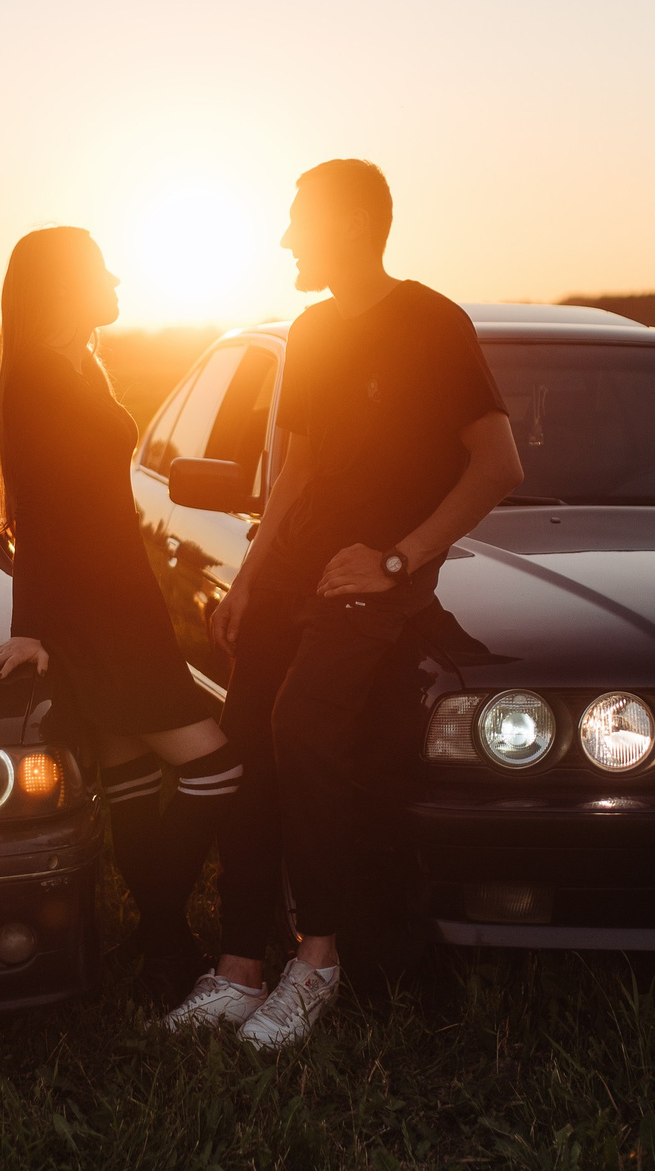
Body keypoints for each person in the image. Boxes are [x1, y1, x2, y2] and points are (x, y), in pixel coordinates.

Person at [161, 160, 523, 1048]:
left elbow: (500, 466)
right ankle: (240, 965)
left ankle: (316, 960)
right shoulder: (315, 327)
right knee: (248, 743)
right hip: (293, 568)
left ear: (356, 224)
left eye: (299, 221)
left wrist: (399, 559)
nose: (286, 238)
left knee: (303, 730)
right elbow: (301, 468)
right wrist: (249, 577)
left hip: (374, 582)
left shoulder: (432, 324)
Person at [0, 227, 243, 991]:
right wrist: (31, 629)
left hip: (120, 603)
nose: (115, 278)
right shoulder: (41, 381)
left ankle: (160, 951)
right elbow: (46, 517)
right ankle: (163, 931)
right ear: (64, 286)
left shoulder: (70, 364)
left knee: (125, 779)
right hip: (101, 614)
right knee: (218, 767)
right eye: (99, 270)